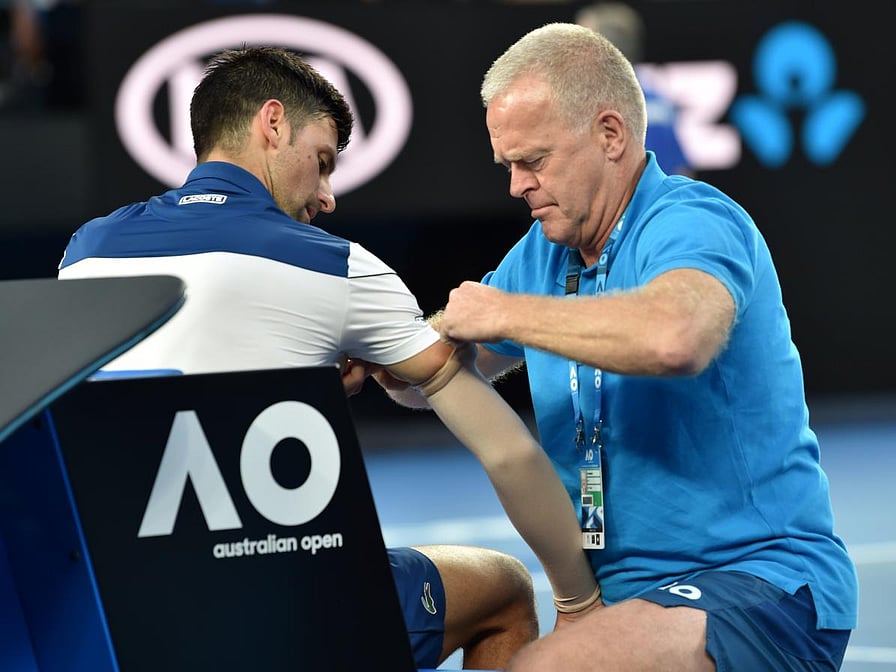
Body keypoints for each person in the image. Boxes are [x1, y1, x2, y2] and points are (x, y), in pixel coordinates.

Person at [56, 46, 600, 670]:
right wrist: (579, 601)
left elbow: (161, 411)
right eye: (321, 162)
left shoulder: (85, 252)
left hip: (113, 617)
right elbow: (509, 453)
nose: (327, 195)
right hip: (278, 614)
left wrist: (301, 393)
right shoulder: (335, 265)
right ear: (272, 123)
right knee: (503, 587)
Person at [382, 23, 858, 671]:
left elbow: (676, 337)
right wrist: (384, 356)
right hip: (622, 597)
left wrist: (505, 311)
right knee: (502, 618)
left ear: (610, 135)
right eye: (508, 165)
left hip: (761, 584)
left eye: (533, 161)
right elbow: (437, 374)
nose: (516, 185)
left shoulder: (695, 219)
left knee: (547, 667)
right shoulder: (545, 253)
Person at [575, 2, 693, 177]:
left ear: (602, 48)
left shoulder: (597, 104)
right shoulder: (658, 99)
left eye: (579, 40)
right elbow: (683, 171)